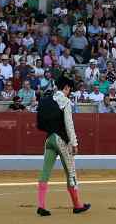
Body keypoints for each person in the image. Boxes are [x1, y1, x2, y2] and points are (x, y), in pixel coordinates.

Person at [34, 74, 90, 216]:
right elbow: (69, 125)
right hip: (61, 141)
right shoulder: (65, 102)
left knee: (45, 171)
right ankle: (77, 205)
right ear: (66, 88)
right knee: (71, 173)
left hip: (49, 140)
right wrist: (74, 143)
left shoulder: (46, 100)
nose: (69, 92)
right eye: (69, 89)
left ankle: (41, 205)